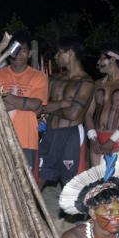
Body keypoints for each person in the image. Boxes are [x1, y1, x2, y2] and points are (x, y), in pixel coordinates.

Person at [38, 37, 94, 188]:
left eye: (59, 53)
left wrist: (52, 107)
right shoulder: (54, 79)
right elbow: (40, 107)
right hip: (50, 134)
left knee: (71, 185)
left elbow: (73, 114)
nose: (55, 57)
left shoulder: (86, 82)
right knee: (37, 178)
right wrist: (62, 104)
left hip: (71, 135)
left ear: (70, 53)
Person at [0, 31, 48, 176]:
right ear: (9, 52)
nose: (18, 55)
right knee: (3, 179)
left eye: (23, 50)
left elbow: (36, 105)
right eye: (15, 50)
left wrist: (3, 95)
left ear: (30, 53)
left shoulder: (39, 77)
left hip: (27, 139)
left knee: (26, 183)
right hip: (1, 138)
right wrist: (25, 103)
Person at [85, 48, 119, 166]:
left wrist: (112, 140)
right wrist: (93, 138)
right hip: (97, 140)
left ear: (113, 59)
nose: (98, 63)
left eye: (102, 58)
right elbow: (88, 113)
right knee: (98, 183)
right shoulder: (98, 84)